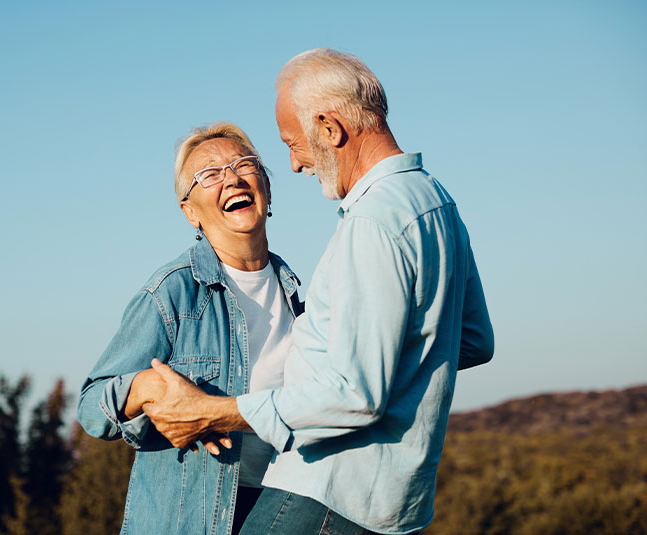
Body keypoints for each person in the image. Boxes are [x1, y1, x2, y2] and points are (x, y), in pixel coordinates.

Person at [143, 48, 495, 535]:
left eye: (294, 143)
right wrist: (392, 363)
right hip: (397, 504)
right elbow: (474, 339)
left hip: (326, 493)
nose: (294, 164)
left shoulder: (372, 222)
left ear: (330, 129)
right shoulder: (435, 201)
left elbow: (356, 395)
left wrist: (213, 412)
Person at [77, 122, 304, 535]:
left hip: (279, 506)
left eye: (244, 164)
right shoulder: (172, 292)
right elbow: (92, 406)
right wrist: (145, 387)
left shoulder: (298, 295)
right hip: (194, 519)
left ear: (267, 189)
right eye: (209, 174)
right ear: (190, 211)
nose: (232, 177)